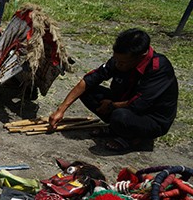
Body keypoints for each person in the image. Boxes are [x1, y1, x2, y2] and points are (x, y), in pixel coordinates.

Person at [49, 28, 178, 153]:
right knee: (87, 91)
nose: (117, 64)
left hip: (150, 118)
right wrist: (61, 110)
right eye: (116, 59)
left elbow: (139, 103)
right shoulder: (120, 59)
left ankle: (134, 139)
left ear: (140, 57)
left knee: (120, 116)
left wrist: (112, 105)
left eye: (122, 62)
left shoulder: (159, 67)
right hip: (123, 103)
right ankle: (115, 129)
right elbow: (89, 80)